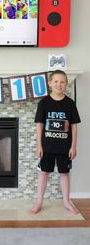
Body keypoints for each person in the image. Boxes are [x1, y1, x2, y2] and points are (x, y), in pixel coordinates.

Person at [30, 70, 81, 215]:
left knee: (64, 173)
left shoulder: (70, 103)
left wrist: (73, 146)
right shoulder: (44, 103)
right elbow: (39, 125)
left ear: (66, 84)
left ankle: (66, 201)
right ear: (50, 83)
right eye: (56, 81)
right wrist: (39, 145)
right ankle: (39, 201)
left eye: (62, 82)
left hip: (65, 148)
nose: (59, 84)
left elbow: (74, 126)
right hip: (47, 147)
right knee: (44, 173)